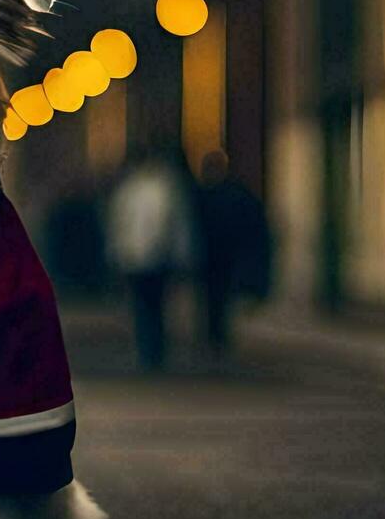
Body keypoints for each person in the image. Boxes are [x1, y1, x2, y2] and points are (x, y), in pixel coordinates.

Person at [106, 148, 198, 370]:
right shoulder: (162, 188)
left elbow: (120, 223)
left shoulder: (135, 189)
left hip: (144, 257)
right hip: (151, 258)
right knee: (152, 306)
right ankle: (152, 349)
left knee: (146, 306)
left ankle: (150, 349)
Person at [195, 150, 271, 355]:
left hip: (216, 255)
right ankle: (216, 336)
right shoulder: (230, 193)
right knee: (217, 298)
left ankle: (215, 336)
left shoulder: (209, 194)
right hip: (217, 256)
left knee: (215, 298)